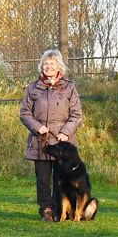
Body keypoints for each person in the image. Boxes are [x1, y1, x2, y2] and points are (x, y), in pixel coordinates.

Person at [19, 49, 83, 222]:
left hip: (63, 143)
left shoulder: (69, 87)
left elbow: (77, 115)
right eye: (45, 64)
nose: (48, 67)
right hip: (40, 141)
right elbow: (25, 113)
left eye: (52, 64)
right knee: (42, 179)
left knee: (60, 178)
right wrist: (37, 126)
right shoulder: (32, 87)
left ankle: (59, 210)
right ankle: (46, 210)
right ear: (41, 66)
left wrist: (65, 132)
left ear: (59, 67)